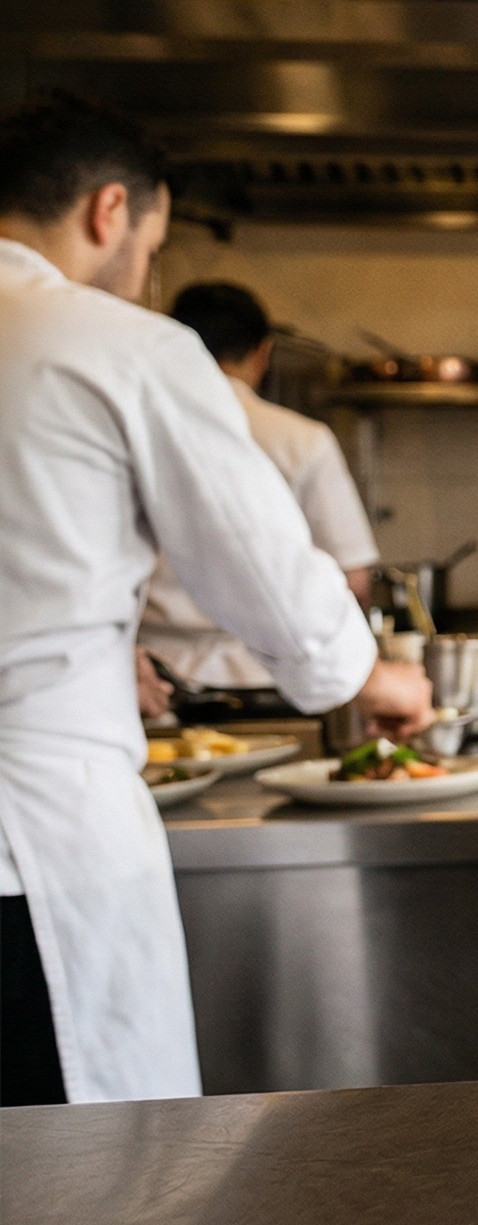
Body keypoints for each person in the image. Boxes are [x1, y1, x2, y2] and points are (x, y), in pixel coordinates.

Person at [0, 93, 433, 1105]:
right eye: (152, 249)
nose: (143, 275)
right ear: (111, 210)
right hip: (33, 845)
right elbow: (263, 568)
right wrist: (368, 676)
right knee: (73, 1174)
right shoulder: (114, 343)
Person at [137, 282, 382, 689]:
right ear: (263, 352)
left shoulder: (136, 430)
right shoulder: (301, 439)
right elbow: (353, 580)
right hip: (269, 681)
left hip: (150, 678)